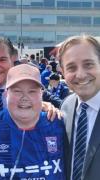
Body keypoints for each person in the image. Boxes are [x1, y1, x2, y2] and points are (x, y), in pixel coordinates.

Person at [0, 64, 67, 179]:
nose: (25, 97)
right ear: (6, 94)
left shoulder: (57, 124)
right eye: (17, 91)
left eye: (32, 91)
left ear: (41, 94)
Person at [59, 35, 100, 180]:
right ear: (63, 72)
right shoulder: (66, 105)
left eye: (88, 64)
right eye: (71, 67)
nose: (81, 75)